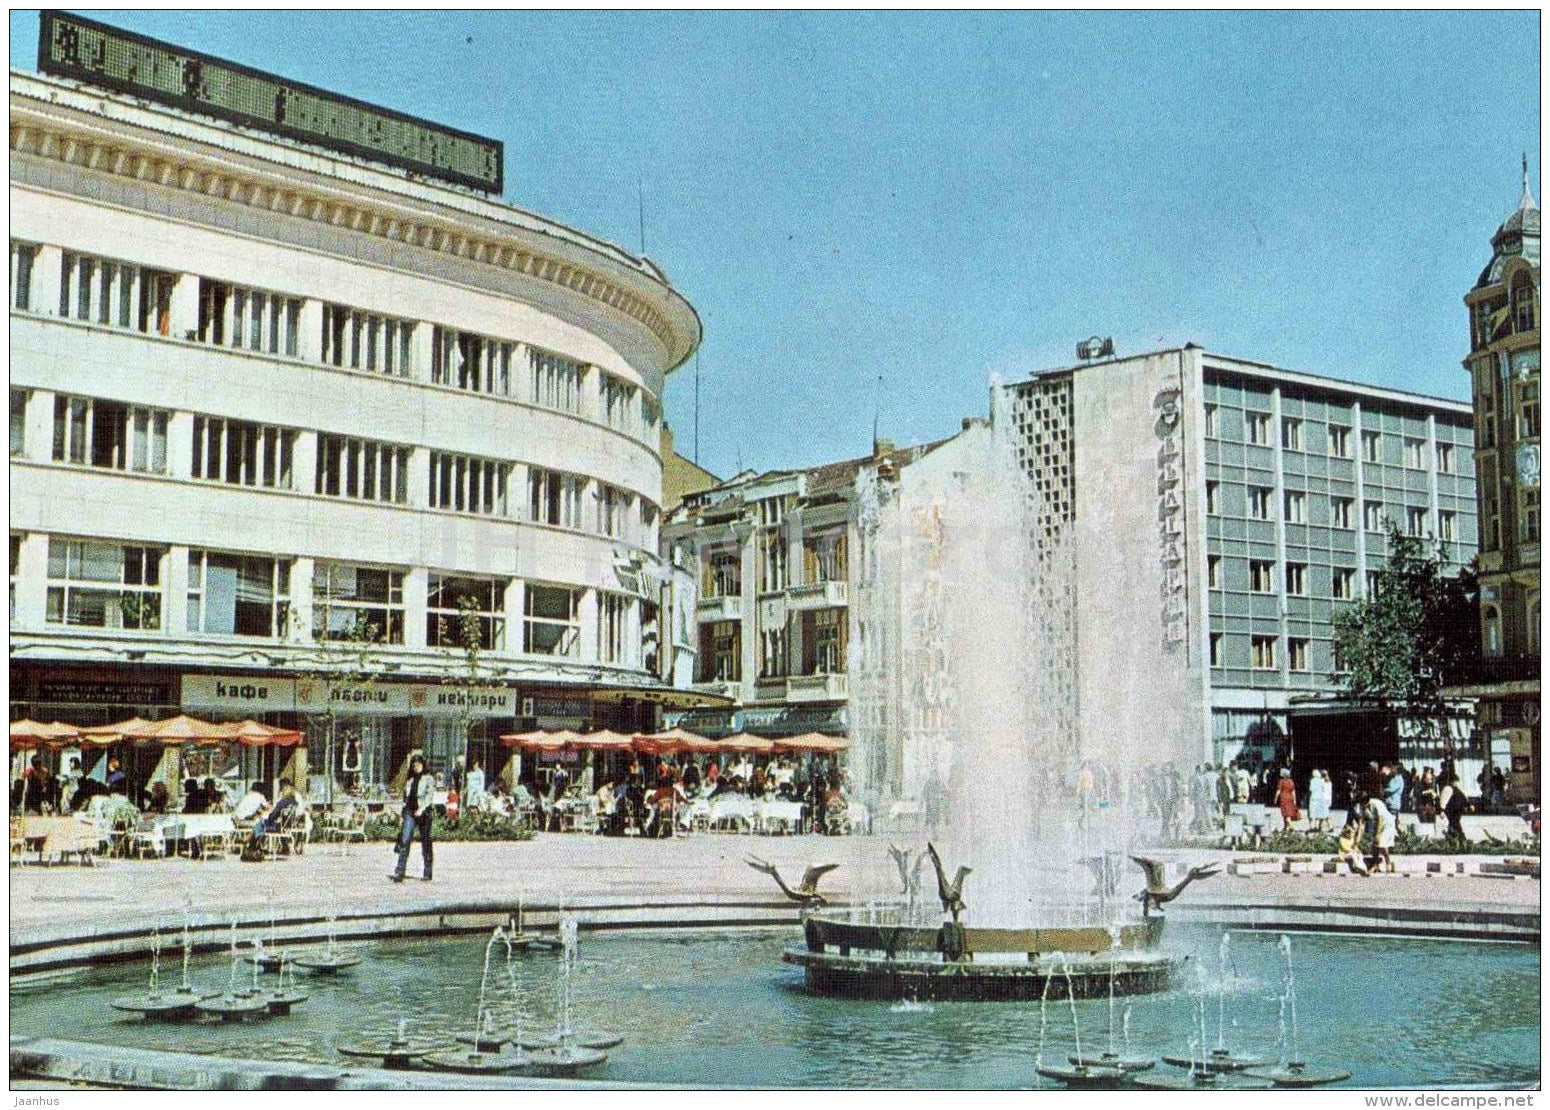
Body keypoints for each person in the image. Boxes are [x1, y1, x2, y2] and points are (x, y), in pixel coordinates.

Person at [390, 753, 435, 883]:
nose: (416, 767)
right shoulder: (410, 779)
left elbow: (429, 796)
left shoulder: (428, 779)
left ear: (422, 764)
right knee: (405, 839)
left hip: (424, 813)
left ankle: (427, 871)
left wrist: (422, 809)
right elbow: (406, 798)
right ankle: (399, 871)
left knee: (425, 842)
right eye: (414, 765)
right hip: (410, 812)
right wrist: (401, 814)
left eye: (418, 765)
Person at [247, 779, 299, 858]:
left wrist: (266, 820)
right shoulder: (294, 802)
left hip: (277, 827)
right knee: (260, 824)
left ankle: (253, 847)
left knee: (259, 825)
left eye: (282, 790)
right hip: (287, 826)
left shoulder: (282, 802)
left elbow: (272, 816)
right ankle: (253, 843)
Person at [1365, 794, 1396, 873]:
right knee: (1375, 845)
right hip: (1377, 823)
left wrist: (1378, 834)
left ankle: (1388, 863)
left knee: (1382, 843)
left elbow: (1381, 819)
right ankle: (1375, 865)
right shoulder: (1364, 806)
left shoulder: (1375, 803)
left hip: (1387, 824)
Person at [1440, 775, 1468, 842]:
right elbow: (1444, 800)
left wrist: (1468, 805)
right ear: (1452, 782)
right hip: (1451, 810)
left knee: (1453, 824)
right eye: (1456, 781)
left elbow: (1464, 798)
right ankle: (1460, 839)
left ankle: (1454, 838)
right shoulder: (1448, 789)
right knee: (1454, 824)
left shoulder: (1458, 790)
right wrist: (1442, 810)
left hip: (1457, 810)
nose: (1457, 783)